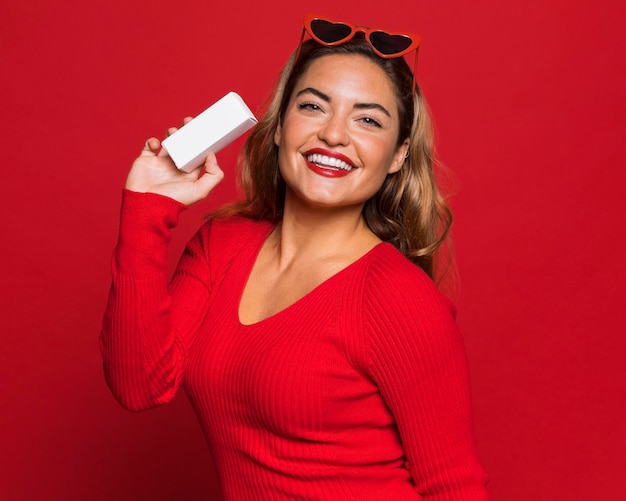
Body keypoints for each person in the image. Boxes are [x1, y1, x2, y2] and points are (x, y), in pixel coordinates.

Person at [100, 14, 490, 500]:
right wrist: (147, 206)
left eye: (367, 119)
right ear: (280, 126)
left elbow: (454, 485)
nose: (333, 134)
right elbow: (140, 385)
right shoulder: (221, 245)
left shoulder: (399, 298)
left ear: (397, 155)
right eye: (312, 106)